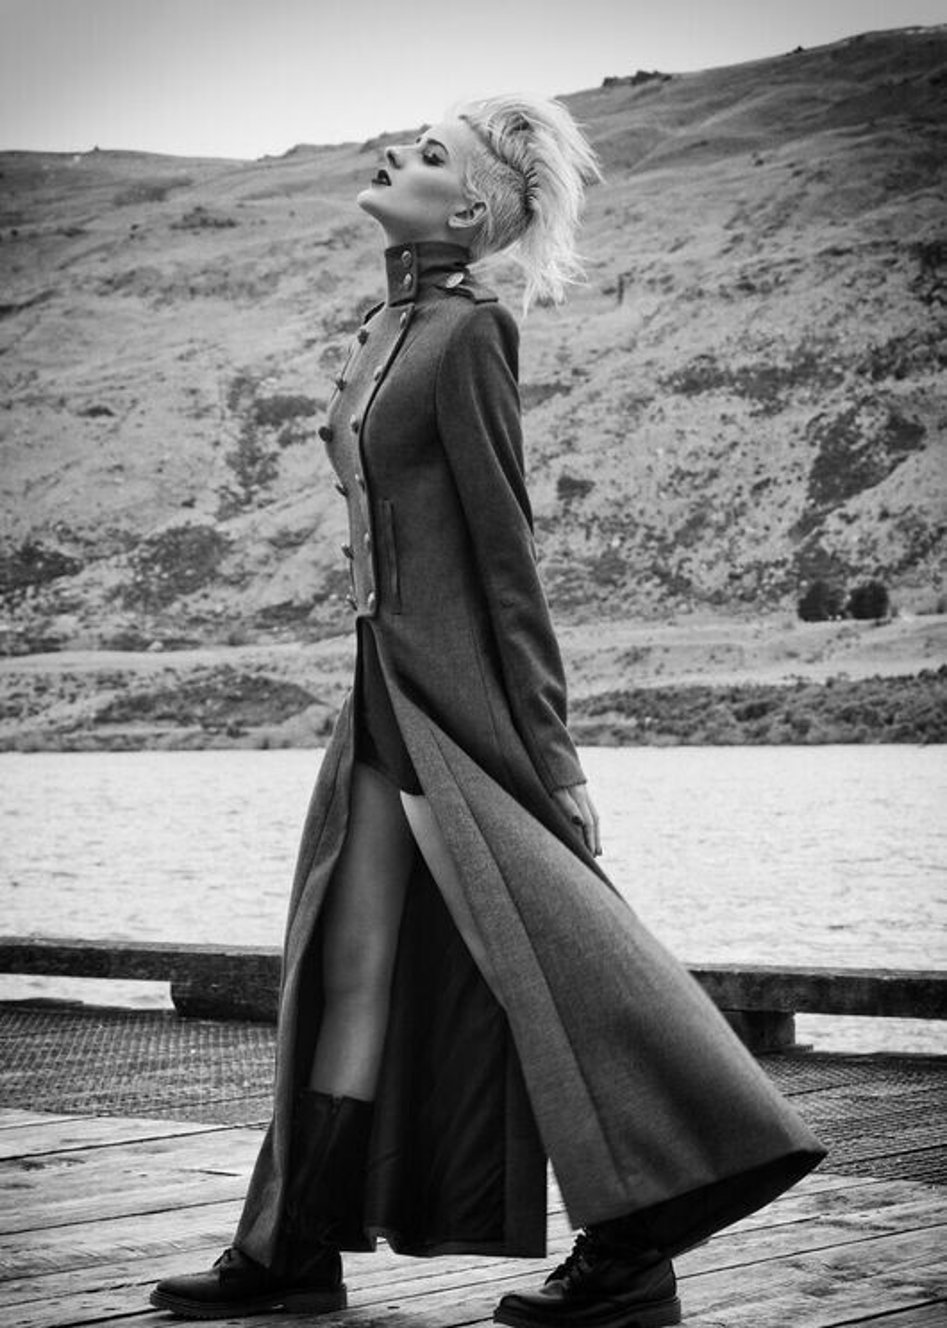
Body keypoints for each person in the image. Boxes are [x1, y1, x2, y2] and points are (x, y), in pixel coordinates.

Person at [150, 95, 825, 1327]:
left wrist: (550, 752)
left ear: (466, 210)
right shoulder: (382, 328)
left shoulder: (470, 333)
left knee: (546, 956)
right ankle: (292, 1246)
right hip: (379, 692)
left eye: (428, 153)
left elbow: (506, 553)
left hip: (457, 708)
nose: (394, 151)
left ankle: (636, 1240)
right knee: (345, 960)